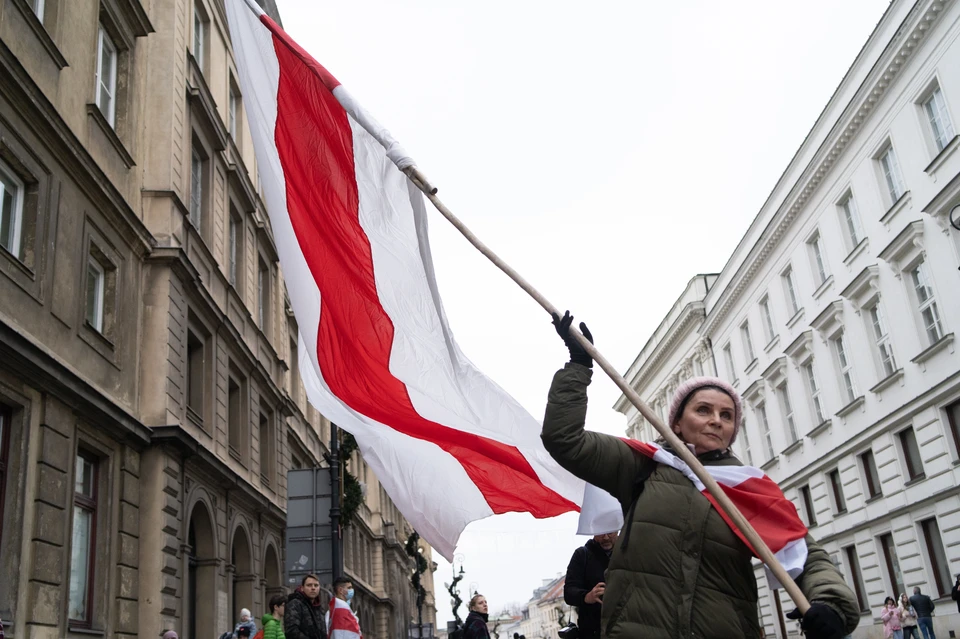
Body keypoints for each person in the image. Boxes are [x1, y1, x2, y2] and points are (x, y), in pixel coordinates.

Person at [541, 312, 861, 639]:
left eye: (727, 415)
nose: (716, 420)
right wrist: (579, 365)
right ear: (676, 423)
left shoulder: (750, 488)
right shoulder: (645, 465)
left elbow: (808, 556)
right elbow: (564, 440)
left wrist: (831, 604)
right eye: (703, 410)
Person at [564, 531, 617, 639]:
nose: (606, 537)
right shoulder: (582, 555)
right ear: (594, 531)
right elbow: (569, 592)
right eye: (601, 533)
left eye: (610, 532)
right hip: (593, 630)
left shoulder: (629, 554)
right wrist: (587, 596)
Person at [285, 574, 327, 639]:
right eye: (309, 585)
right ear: (302, 588)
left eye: (316, 585)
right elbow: (291, 631)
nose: (313, 588)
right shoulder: (295, 604)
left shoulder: (319, 608)